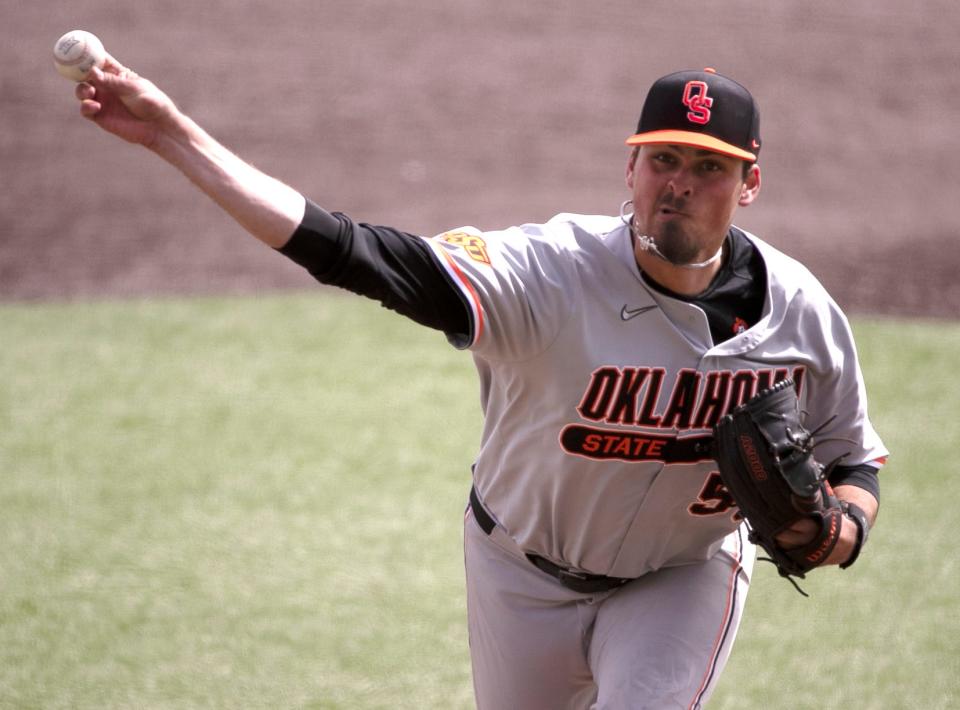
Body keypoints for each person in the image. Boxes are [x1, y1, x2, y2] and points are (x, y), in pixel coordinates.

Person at [72, 57, 887, 709]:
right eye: (663, 158)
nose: (678, 182)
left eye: (709, 167)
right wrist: (175, 137)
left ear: (749, 184)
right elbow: (353, 251)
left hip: (681, 578)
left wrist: (843, 531)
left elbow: (854, 459)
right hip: (517, 573)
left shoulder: (801, 316)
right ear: (631, 166)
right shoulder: (548, 274)